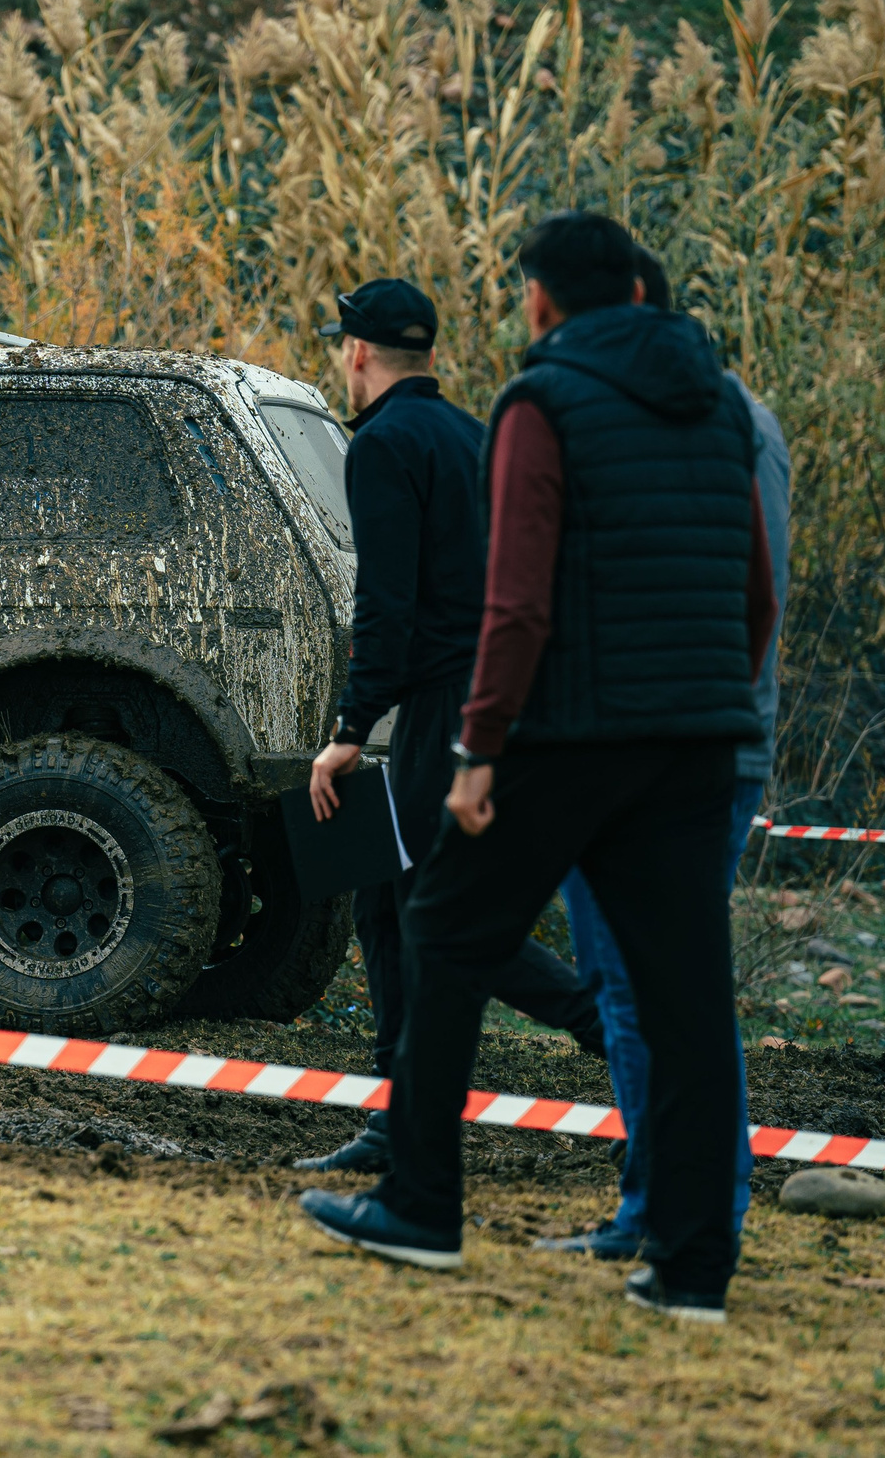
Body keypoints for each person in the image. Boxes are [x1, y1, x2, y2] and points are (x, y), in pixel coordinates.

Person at [299, 211, 776, 1325]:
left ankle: (420, 1205)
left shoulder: (541, 401)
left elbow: (513, 605)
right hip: (701, 737)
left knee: (441, 930)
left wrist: (478, 752)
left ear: (543, 299)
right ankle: (695, 1270)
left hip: (569, 733)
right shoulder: (719, 406)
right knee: (688, 1001)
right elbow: (752, 595)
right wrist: (704, 706)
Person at [296, 279, 604, 1176]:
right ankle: (398, 1122)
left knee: (441, 909)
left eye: (340, 350)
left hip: (445, 709)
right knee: (383, 902)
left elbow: (384, 602)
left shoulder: (385, 444)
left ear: (357, 353)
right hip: (489, 698)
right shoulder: (472, 437)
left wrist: (351, 725)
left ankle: (604, 1025)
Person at [534, 246, 790, 1258]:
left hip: (665, 749)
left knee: (641, 988)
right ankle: (680, 1200)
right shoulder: (725, 412)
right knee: (653, 985)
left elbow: (742, 601)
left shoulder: (707, 419)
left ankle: (674, 1210)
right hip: (700, 739)